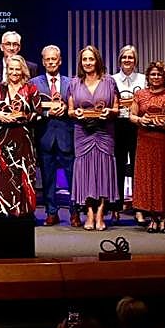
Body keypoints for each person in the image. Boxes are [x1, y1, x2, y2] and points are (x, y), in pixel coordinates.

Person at [66, 45, 121, 231]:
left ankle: (101, 213)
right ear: (81, 63)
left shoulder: (109, 81)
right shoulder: (74, 83)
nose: (88, 63)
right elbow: (70, 110)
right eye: (84, 60)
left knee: (104, 171)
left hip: (104, 132)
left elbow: (116, 108)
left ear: (97, 60)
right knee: (85, 173)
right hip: (83, 133)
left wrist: (109, 112)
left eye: (91, 59)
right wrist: (78, 113)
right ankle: (89, 212)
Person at [130, 60, 165, 233]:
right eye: (153, 74)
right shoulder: (140, 95)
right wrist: (141, 120)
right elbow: (132, 115)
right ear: (148, 76)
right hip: (146, 141)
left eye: (159, 74)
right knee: (149, 178)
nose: (156, 77)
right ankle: (152, 217)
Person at [0, 54, 40, 217]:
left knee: (22, 174)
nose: (14, 72)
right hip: (2, 138)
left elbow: (38, 114)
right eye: (11, 69)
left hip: (23, 138)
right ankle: (3, 210)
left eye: (18, 69)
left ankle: (23, 211)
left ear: (23, 70)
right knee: (2, 175)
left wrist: (23, 116)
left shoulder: (31, 89)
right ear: (7, 70)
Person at [33, 45, 76, 226]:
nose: (51, 62)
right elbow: (32, 109)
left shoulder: (71, 82)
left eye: (54, 59)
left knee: (72, 176)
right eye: (47, 59)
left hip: (66, 135)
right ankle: (52, 212)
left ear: (60, 61)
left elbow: (77, 105)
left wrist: (67, 108)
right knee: (48, 177)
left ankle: (75, 212)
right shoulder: (34, 83)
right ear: (43, 62)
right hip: (45, 135)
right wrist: (46, 113)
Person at [112, 44, 146, 222]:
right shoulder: (111, 79)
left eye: (130, 57)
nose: (127, 60)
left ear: (135, 61)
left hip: (138, 126)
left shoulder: (144, 79)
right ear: (119, 60)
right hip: (117, 126)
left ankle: (138, 207)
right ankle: (115, 207)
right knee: (117, 166)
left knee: (137, 167)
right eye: (124, 57)